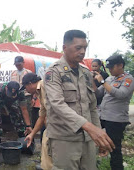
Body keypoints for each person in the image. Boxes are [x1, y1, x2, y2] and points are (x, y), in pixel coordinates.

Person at [44, 29, 115, 169]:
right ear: (65, 48)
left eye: (85, 48)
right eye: (78, 48)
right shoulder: (54, 72)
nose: (82, 51)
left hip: (87, 139)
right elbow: (58, 105)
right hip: (64, 138)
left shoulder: (86, 73)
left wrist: (98, 134)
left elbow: (92, 107)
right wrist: (89, 127)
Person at [94, 54, 134, 170]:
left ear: (120, 65)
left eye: (112, 67)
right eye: (109, 67)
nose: (110, 70)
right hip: (103, 116)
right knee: (90, 137)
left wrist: (102, 82)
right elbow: (98, 94)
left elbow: (121, 94)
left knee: (114, 149)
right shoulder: (110, 79)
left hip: (116, 120)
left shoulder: (129, 79)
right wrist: (92, 81)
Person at [23, 73, 52, 170]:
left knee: (48, 144)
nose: (26, 90)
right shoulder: (39, 91)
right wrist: (32, 134)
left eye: (25, 87)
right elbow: (42, 116)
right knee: (46, 143)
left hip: (59, 126)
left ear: (30, 84)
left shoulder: (45, 86)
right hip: (52, 126)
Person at [10, 56, 38, 128]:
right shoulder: (13, 73)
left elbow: (34, 86)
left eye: (19, 64)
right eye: (16, 64)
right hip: (16, 97)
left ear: (23, 63)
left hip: (26, 96)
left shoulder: (28, 72)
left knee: (28, 115)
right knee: (18, 115)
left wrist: (34, 98)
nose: (18, 66)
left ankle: (29, 131)